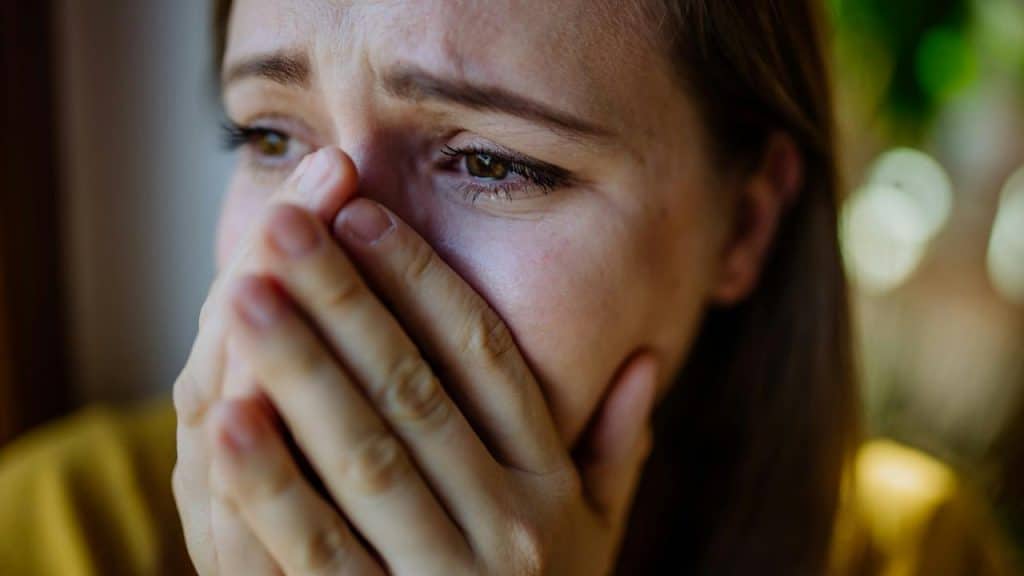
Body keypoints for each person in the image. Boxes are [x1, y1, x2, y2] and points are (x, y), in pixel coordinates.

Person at [0, 1, 1018, 574]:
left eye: (492, 163)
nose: (315, 257)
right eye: (270, 136)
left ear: (742, 226)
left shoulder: (921, 555)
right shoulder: (56, 531)